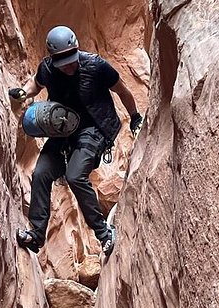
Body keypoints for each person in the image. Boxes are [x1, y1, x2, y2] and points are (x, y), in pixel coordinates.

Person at [9, 25, 143, 257]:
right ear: (54, 59)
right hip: (63, 131)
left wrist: (135, 117)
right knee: (41, 173)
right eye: (64, 63)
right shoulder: (48, 69)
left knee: (75, 175)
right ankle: (36, 235)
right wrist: (24, 92)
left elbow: (122, 90)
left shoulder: (96, 65)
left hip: (95, 129)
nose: (71, 66)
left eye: (72, 60)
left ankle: (104, 233)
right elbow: (36, 82)